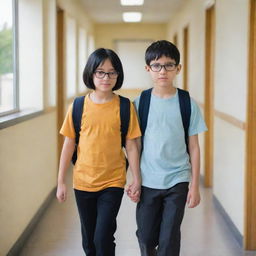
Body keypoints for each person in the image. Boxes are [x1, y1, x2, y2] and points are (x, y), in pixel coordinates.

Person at [56, 48, 141, 256]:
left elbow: (131, 145)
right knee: (89, 241)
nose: (106, 77)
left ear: (118, 75)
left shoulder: (124, 106)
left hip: (113, 181)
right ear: (91, 74)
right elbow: (69, 144)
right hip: (83, 181)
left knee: (103, 236)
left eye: (112, 72)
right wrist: (60, 181)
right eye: (100, 72)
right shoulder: (77, 106)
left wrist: (136, 178)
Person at [133, 40, 207, 256]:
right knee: (146, 237)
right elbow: (135, 145)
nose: (162, 71)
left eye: (168, 65)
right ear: (148, 69)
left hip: (178, 180)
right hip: (148, 180)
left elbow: (194, 147)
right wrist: (135, 179)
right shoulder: (141, 102)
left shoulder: (187, 103)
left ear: (178, 68)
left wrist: (194, 185)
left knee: (169, 238)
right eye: (156, 65)